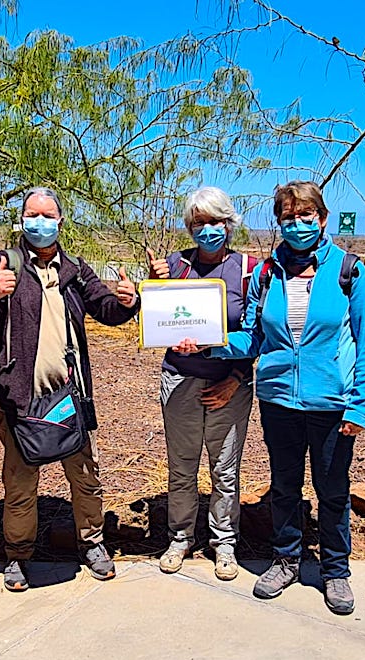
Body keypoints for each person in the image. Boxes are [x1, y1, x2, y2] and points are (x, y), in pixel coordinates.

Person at [174, 180, 365, 614]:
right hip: (278, 400)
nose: (298, 224)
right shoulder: (268, 274)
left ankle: (335, 571)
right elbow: (252, 335)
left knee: (333, 490)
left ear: (322, 219)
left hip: (332, 402)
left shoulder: (348, 271)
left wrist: (360, 406)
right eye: (289, 218)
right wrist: (210, 345)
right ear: (279, 222)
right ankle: (286, 560)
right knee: (284, 487)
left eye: (306, 216)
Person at [0, 186, 139, 592]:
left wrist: (128, 301)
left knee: (85, 476)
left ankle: (92, 543)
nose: (39, 222)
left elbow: (107, 310)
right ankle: (18, 554)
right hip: (17, 398)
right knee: (21, 479)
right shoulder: (4, 263)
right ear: (21, 221)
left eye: (47, 215)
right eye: (32, 215)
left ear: (60, 222)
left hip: (69, 397)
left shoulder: (75, 270)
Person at [146, 186, 256, 581]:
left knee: (225, 468)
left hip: (230, 384)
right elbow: (158, 319)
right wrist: (154, 284)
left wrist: (236, 378)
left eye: (214, 221)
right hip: (179, 379)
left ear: (229, 223)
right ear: (190, 227)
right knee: (182, 466)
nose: (207, 229)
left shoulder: (250, 270)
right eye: (198, 223)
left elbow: (259, 332)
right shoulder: (175, 265)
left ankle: (224, 542)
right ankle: (180, 537)